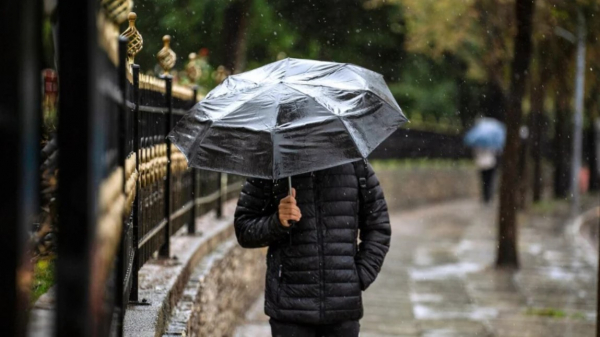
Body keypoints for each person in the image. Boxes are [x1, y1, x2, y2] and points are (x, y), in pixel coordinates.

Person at [234, 160, 391, 337]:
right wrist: (277, 221)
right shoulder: (272, 165)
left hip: (342, 310)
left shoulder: (354, 164)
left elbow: (379, 228)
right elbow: (244, 229)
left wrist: (359, 276)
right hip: (290, 308)